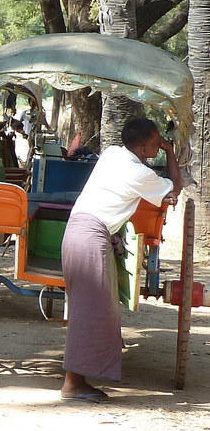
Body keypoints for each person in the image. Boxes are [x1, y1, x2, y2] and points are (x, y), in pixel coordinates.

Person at [60, 118, 181, 402]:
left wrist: (160, 146)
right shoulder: (138, 172)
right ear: (142, 147)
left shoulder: (114, 153)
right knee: (90, 312)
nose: (160, 143)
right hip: (90, 236)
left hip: (80, 231)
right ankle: (72, 385)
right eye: (156, 142)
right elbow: (175, 188)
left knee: (94, 309)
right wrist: (171, 152)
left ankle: (78, 379)